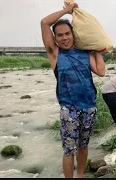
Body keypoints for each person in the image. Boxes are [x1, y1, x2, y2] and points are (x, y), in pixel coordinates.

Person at [40, 3, 105, 178]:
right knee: (69, 150)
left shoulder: (84, 54)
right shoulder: (55, 54)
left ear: (73, 35)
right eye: (60, 35)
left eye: (67, 34)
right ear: (55, 38)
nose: (64, 38)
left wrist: (97, 50)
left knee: (84, 146)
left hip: (89, 106)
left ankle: (81, 176)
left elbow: (101, 71)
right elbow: (44, 23)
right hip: (69, 109)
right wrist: (67, 11)